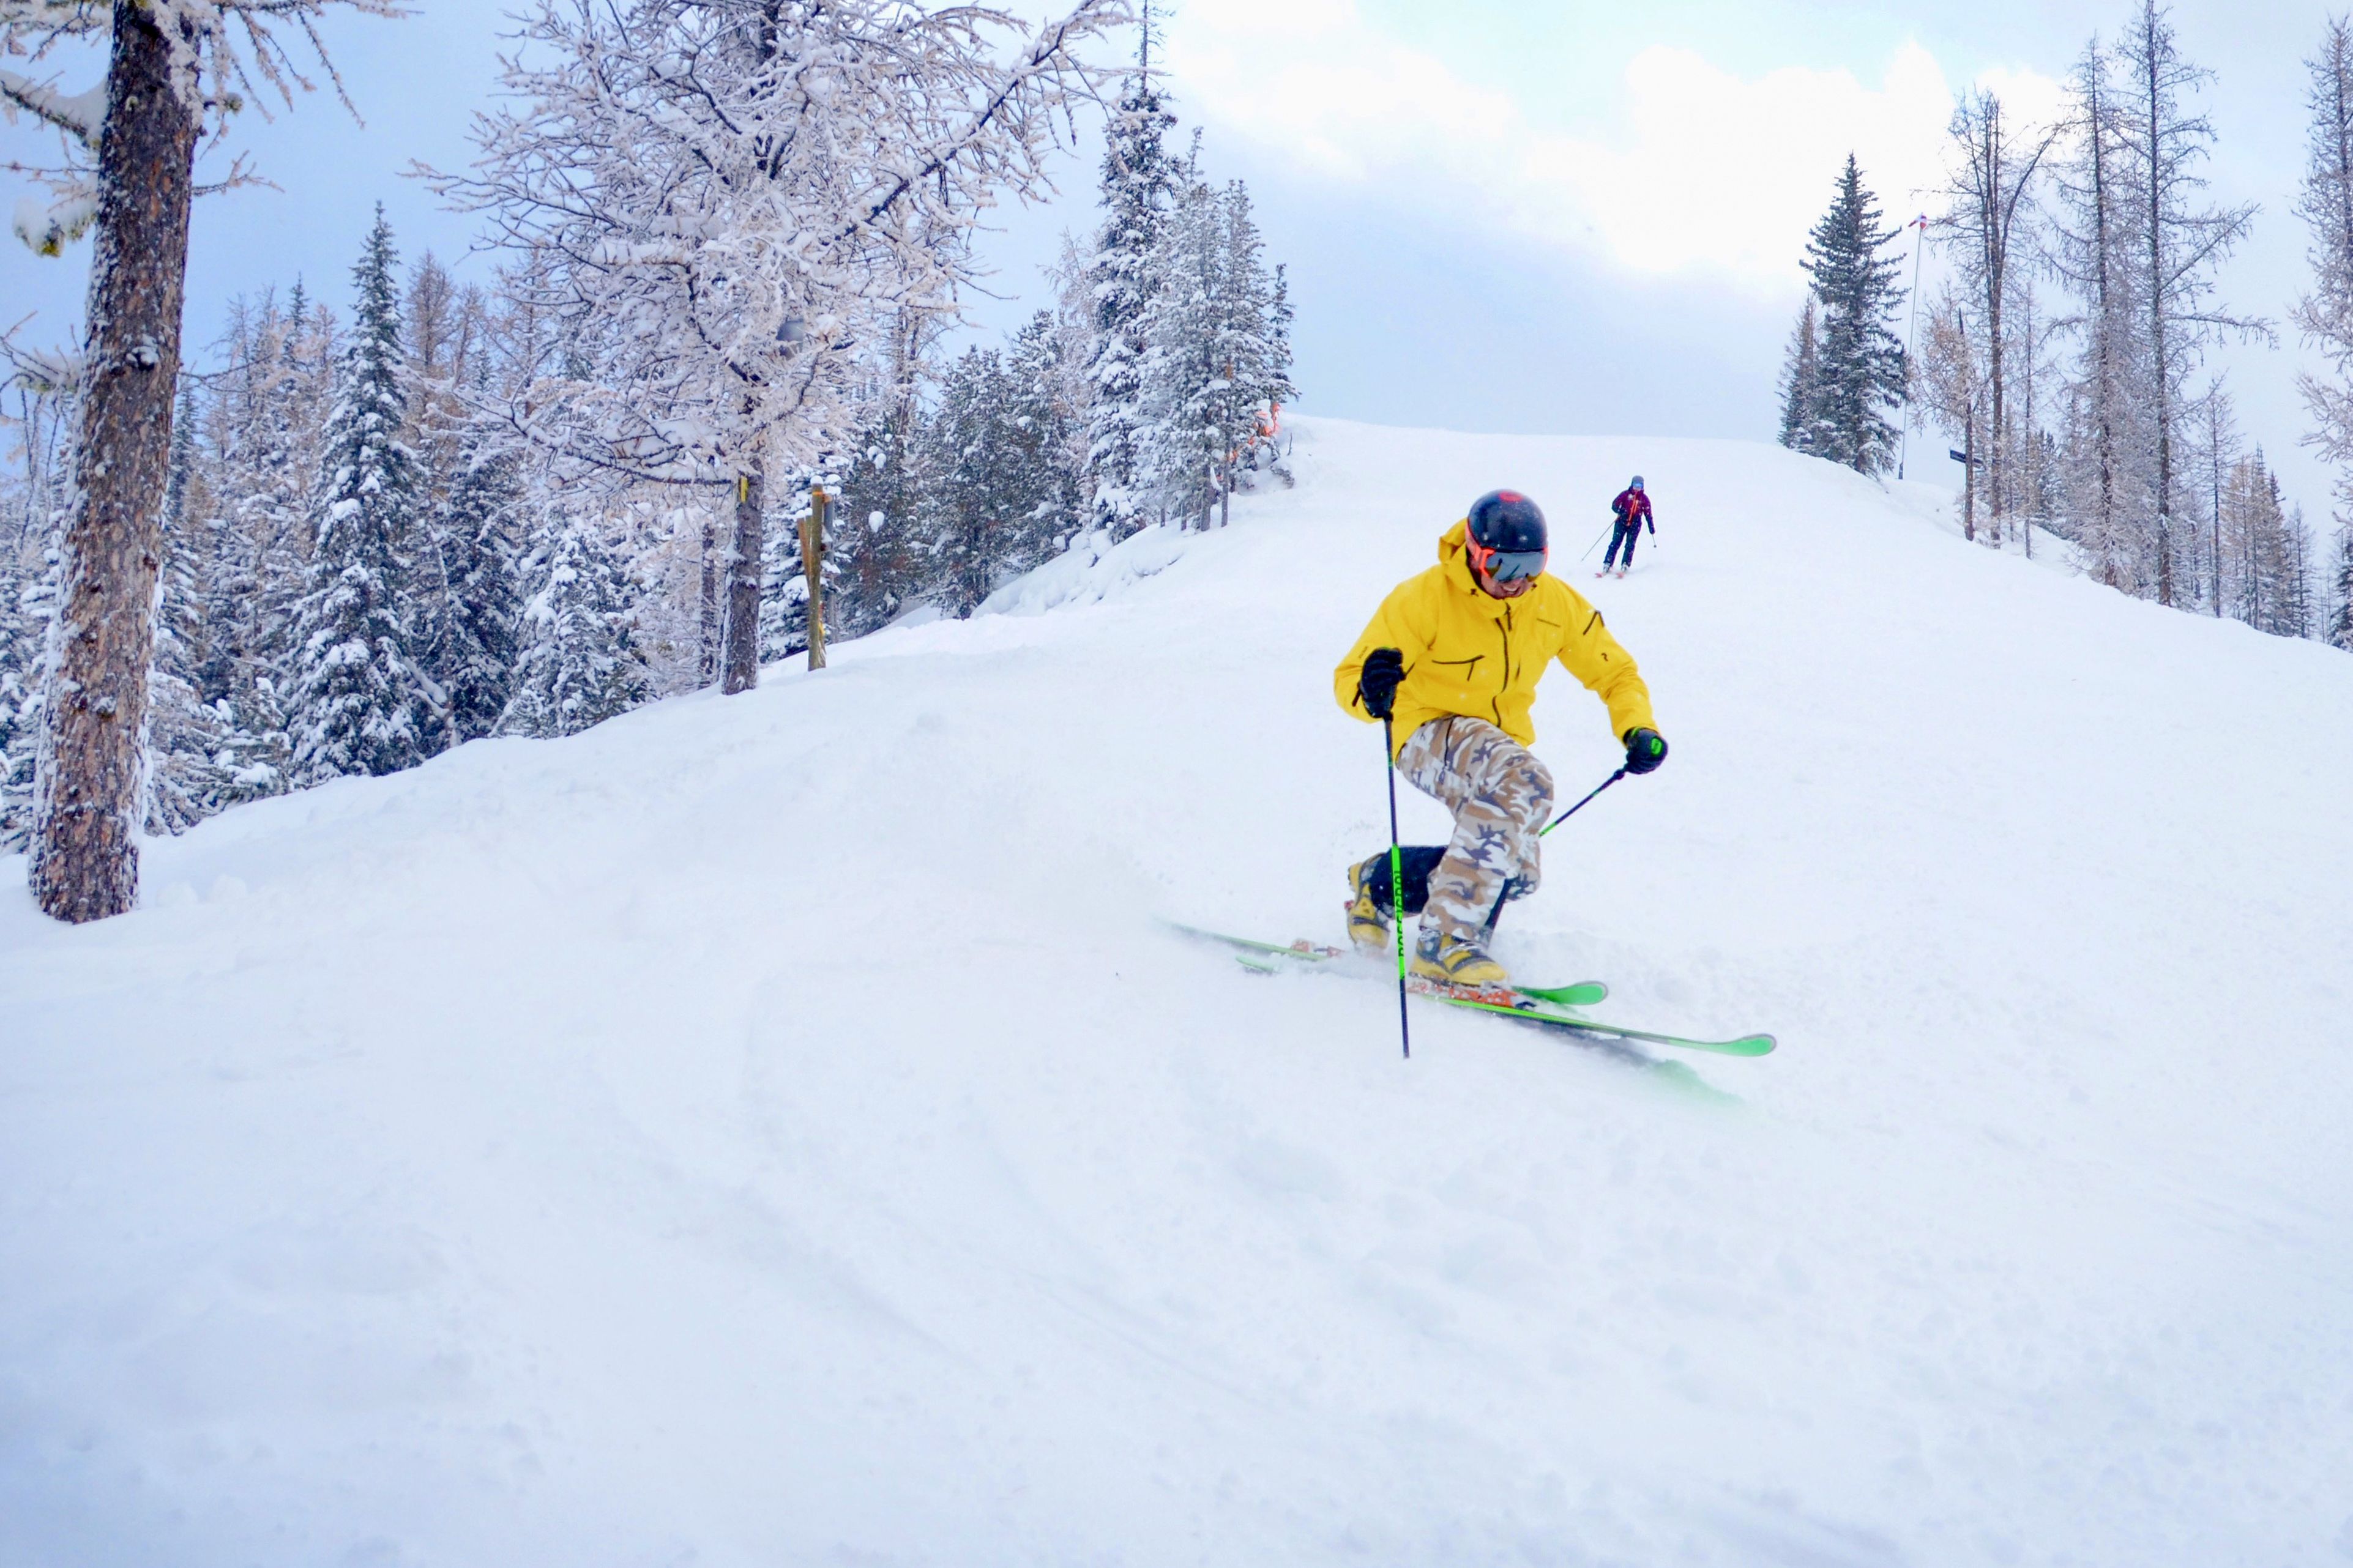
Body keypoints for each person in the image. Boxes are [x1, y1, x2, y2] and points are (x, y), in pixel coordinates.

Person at [1333, 489, 1669, 986]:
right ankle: (1444, 942)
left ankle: (1379, 883)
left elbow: (1614, 671)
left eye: (1532, 564)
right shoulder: (1422, 599)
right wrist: (1371, 689)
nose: (1518, 582)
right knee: (1524, 780)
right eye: (1503, 566)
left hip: (1497, 746)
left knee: (1512, 873)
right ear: (1473, 551)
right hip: (1425, 730)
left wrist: (1637, 725)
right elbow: (1350, 680)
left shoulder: (1553, 602)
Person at [1598, 475, 1652, 579]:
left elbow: (1648, 513)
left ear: (1643, 486)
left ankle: (1625, 564)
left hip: (1635, 524)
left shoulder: (1644, 499)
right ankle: (1608, 563)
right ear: (1632, 485)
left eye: (1640, 486)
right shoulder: (1625, 495)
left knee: (1630, 545)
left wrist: (1651, 527)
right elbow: (1614, 505)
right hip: (1621, 522)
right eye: (1635, 485)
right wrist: (1620, 511)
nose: (1637, 488)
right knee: (1615, 543)